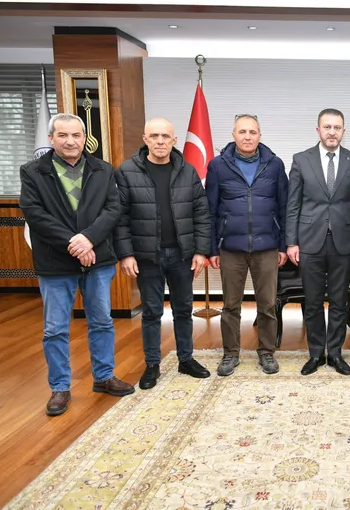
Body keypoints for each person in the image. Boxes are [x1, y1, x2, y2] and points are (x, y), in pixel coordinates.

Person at [19, 113, 134, 416]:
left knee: (102, 321)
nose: (70, 141)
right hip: (56, 262)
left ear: (85, 138)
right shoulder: (33, 172)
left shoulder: (103, 169)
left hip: (98, 259)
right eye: (62, 135)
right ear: (51, 138)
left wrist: (89, 239)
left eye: (76, 135)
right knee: (55, 328)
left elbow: (113, 209)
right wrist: (75, 243)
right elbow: (35, 214)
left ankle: (104, 377)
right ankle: (60, 387)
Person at [114, 118, 212, 390]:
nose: (160, 141)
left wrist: (201, 251)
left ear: (174, 140)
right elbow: (119, 218)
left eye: (165, 136)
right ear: (145, 139)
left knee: (183, 309)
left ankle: (186, 359)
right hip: (146, 257)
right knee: (151, 312)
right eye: (154, 136)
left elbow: (202, 214)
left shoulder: (187, 171)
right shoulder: (126, 171)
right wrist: (126, 254)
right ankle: (152, 364)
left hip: (182, 255)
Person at [205, 114, 289, 376]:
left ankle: (267, 352)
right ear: (233, 135)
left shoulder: (275, 165)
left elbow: (285, 207)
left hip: (267, 246)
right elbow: (210, 210)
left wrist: (283, 245)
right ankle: (230, 354)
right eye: (242, 132)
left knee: (267, 304)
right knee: (231, 305)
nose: (247, 137)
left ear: (260, 136)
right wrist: (212, 248)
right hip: (231, 247)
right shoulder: (217, 166)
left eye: (252, 132)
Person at [286, 109, 350, 376]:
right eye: (327, 127)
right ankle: (316, 354)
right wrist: (291, 242)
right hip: (309, 242)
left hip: (343, 242)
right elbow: (293, 204)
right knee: (313, 301)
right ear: (318, 130)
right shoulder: (301, 159)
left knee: (339, 301)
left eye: (337, 127)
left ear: (343, 131)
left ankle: (336, 354)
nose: (332, 132)